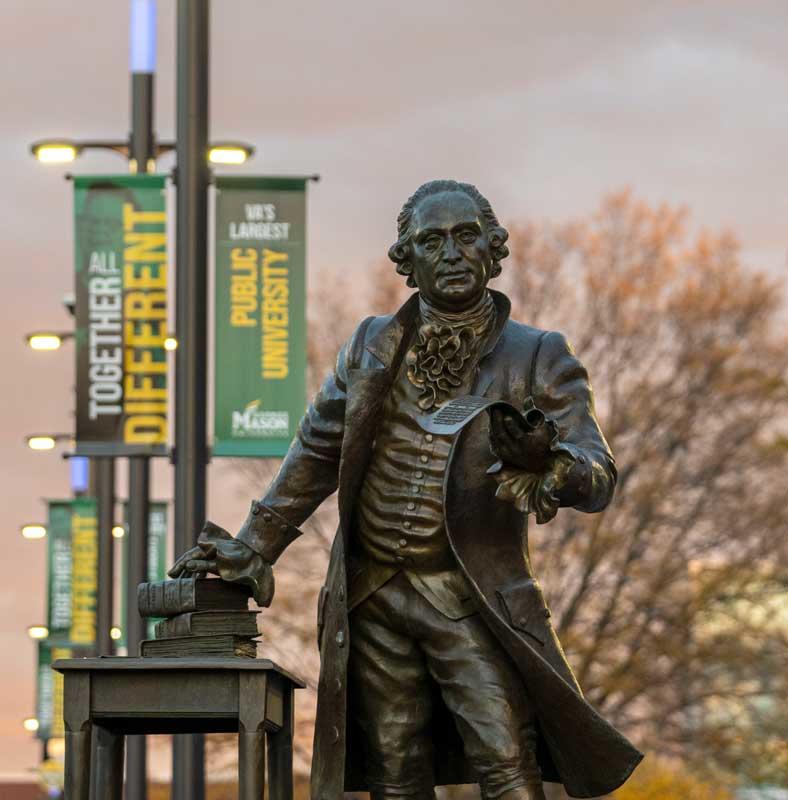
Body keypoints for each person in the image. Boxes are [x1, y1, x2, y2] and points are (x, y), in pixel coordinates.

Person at [171, 180, 642, 800]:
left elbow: (596, 469)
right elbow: (316, 447)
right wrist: (255, 544)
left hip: (469, 594)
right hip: (372, 596)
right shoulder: (373, 343)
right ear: (408, 260)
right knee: (393, 770)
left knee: (504, 757)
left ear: (493, 250)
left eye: (466, 236)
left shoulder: (537, 355)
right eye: (431, 241)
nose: (450, 253)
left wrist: (555, 466)